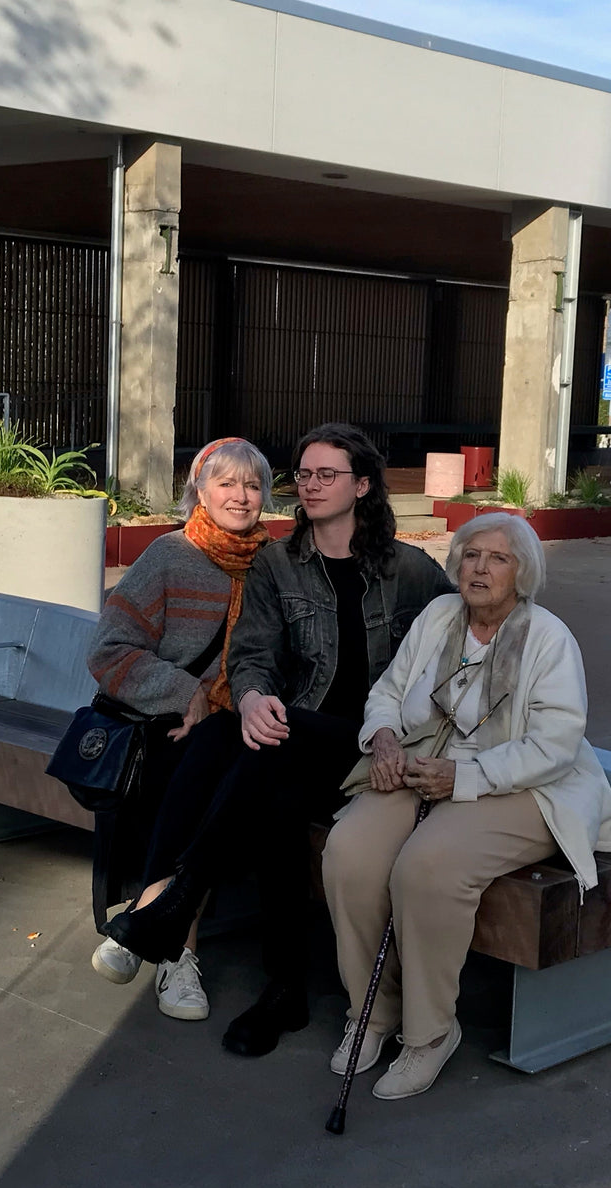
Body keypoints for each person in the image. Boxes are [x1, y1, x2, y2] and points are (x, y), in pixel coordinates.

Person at [104, 423, 454, 1057]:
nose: (311, 484)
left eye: (328, 474)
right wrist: (254, 696)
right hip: (303, 735)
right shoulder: (278, 561)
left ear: (364, 485)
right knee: (244, 764)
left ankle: (169, 906)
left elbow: (469, 639)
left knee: (262, 749)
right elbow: (254, 653)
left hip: (374, 742)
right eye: (305, 474)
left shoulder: (410, 570)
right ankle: (283, 987)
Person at [322, 512, 611, 1100]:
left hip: (522, 785)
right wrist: (381, 736)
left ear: (523, 572)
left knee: (428, 867)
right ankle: (370, 1013)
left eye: (497, 558)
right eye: (471, 555)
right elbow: (386, 690)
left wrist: (465, 776)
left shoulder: (549, 638)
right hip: (422, 763)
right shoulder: (438, 616)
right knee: (348, 853)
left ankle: (430, 1033)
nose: (479, 568)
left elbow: (555, 744)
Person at [84, 437, 274, 1023]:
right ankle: (178, 954)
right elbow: (108, 651)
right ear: (200, 491)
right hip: (160, 722)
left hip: (238, 720)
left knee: (225, 764)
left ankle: (143, 924)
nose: (240, 497)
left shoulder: (274, 563)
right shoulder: (169, 556)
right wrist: (187, 691)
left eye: (252, 486)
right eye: (227, 484)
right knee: (192, 772)